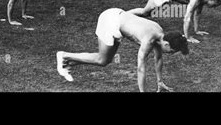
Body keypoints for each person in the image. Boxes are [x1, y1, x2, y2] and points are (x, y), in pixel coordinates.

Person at [56, 8, 189, 92]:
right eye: (172, 51)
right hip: (110, 21)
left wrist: (159, 82)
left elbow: (158, 58)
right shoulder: (148, 41)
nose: (172, 54)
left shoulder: (159, 32)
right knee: (102, 59)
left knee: (105, 60)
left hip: (117, 14)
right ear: (166, 44)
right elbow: (140, 68)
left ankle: (68, 62)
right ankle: (64, 55)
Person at [130, 0, 221, 43]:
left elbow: (197, 14)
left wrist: (197, 31)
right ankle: (124, 15)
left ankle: (125, 15)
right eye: (215, 5)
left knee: (147, 13)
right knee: (145, 12)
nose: (213, 7)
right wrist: (187, 37)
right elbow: (187, 17)